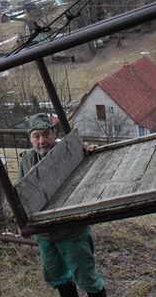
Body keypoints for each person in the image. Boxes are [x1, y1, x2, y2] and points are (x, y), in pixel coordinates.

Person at [18, 113, 107, 297]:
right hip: (44, 234)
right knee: (57, 275)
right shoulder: (26, 159)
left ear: (53, 133)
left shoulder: (68, 150)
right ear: (30, 139)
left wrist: (86, 149)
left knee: (86, 277)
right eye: (36, 136)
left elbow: (89, 158)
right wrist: (21, 221)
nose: (42, 141)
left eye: (46, 135)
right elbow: (20, 194)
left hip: (71, 230)